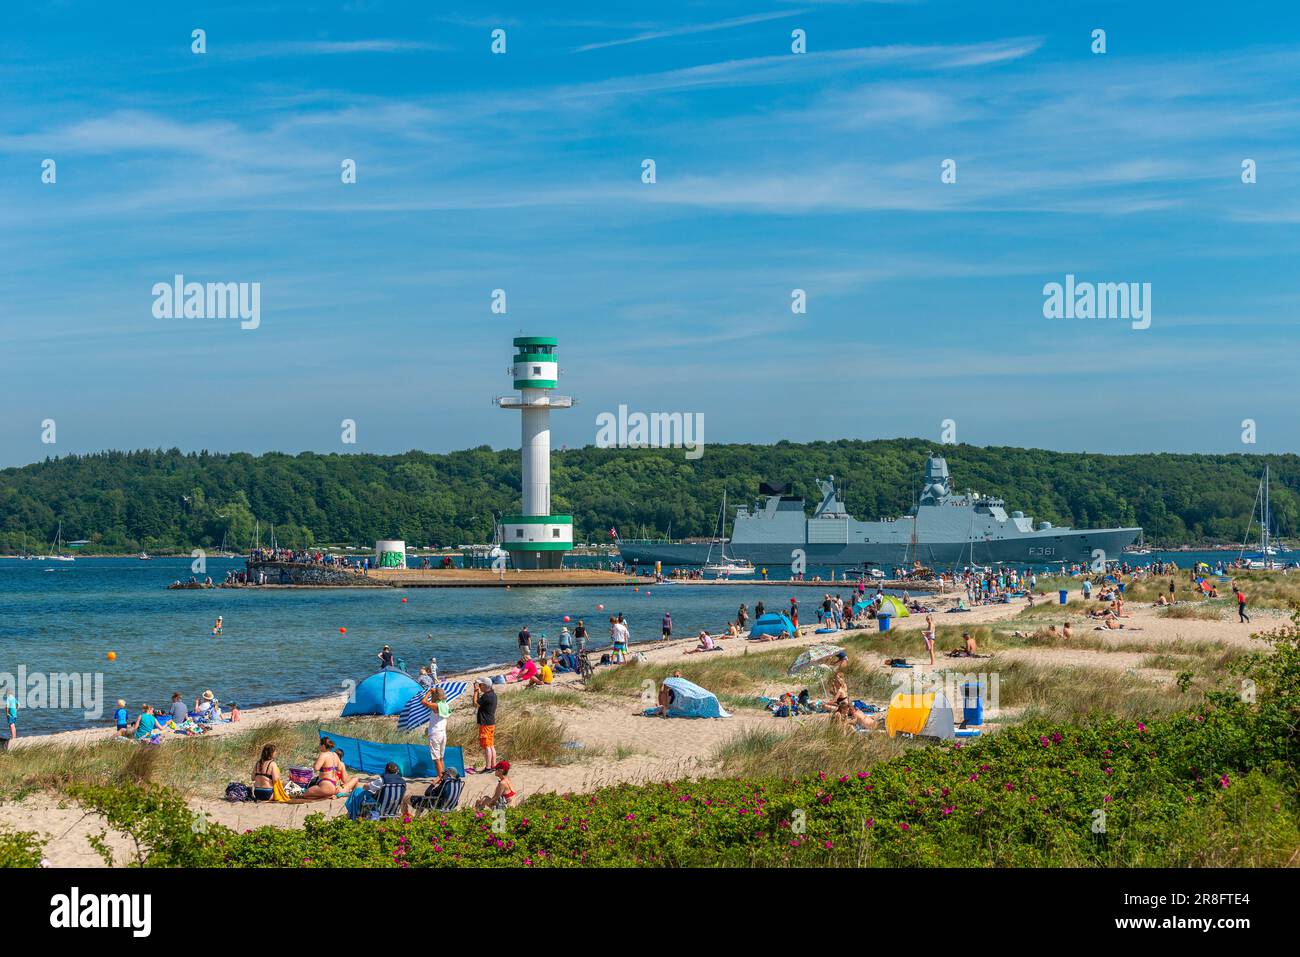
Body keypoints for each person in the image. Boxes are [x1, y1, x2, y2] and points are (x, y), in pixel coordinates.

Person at [421, 686, 450, 781]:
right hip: (442, 733)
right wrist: (434, 693)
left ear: (436, 696)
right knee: (441, 758)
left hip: (435, 734)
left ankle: (441, 779)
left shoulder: (436, 706)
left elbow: (423, 702)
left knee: (436, 759)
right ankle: (444, 777)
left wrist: (429, 691)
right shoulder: (445, 705)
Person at [472, 677, 498, 773]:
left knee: (487, 746)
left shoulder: (486, 696)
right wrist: (478, 691)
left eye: (480, 685)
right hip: (490, 722)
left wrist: (475, 691)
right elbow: (479, 703)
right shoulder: (493, 694)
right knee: (491, 745)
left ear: (484, 685)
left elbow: (475, 703)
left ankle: (488, 767)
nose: (479, 687)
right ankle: (493, 765)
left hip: (486, 724)